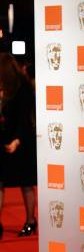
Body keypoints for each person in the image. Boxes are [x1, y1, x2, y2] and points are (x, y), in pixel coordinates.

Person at [0, 53, 37, 238]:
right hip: (4, 140)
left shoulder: (23, 88)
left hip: (22, 141)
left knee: (26, 184)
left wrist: (17, 140)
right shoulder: (3, 89)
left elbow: (25, 118)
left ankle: (31, 221)